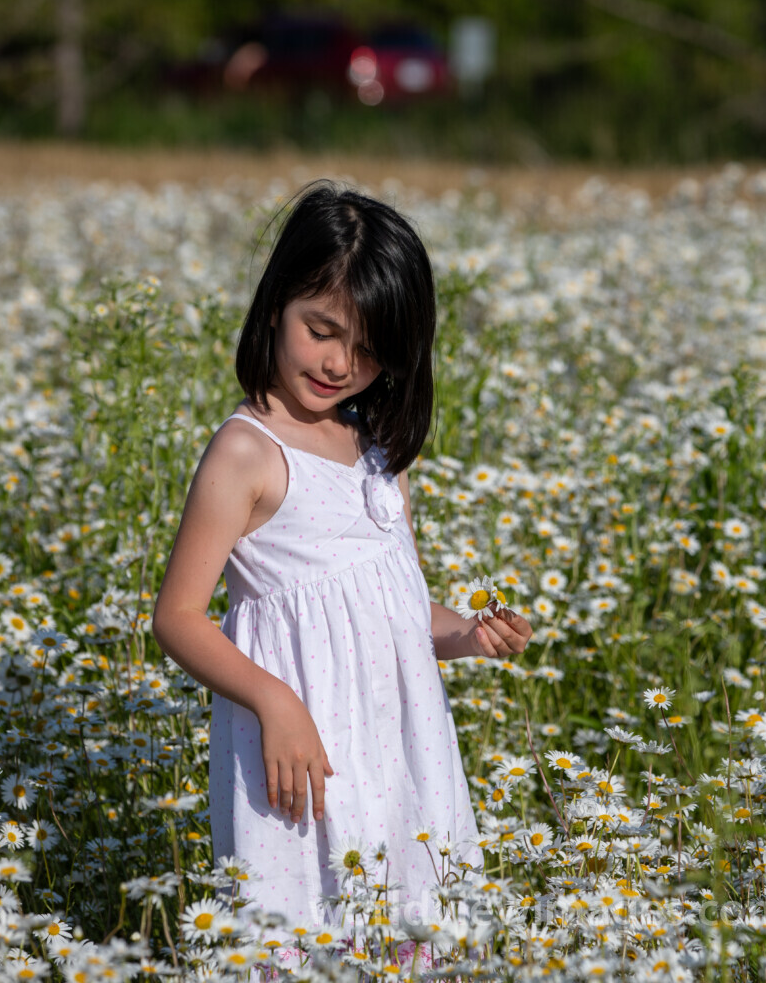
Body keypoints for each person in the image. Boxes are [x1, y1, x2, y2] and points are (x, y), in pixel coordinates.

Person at [151, 181, 533, 962]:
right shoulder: (247, 452)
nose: (337, 364)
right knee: (306, 934)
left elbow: (399, 608)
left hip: (400, 753)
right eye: (320, 330)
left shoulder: (378, 456)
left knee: (408, 927)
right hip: (303, 759)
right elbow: (178, 615)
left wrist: (465, 633)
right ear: (274, 306)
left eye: (366, 351)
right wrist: (273, 699)